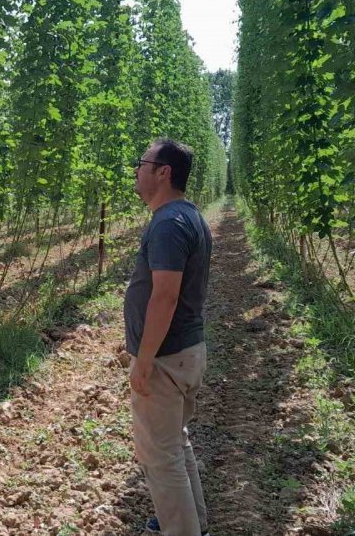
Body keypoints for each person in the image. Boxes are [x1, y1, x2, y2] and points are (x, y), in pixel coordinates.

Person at [124, 139, 213, 536]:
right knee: (175, 445)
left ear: (164, 173)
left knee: (159, 456)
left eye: (142, 163)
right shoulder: (187, 217)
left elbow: (165, 294)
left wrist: (144, 358)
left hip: (166, 357)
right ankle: (194, 523)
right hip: (184, 352)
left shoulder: (169, 223)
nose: (136, 170)